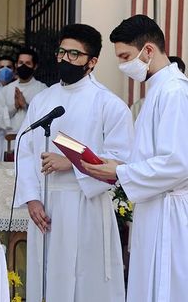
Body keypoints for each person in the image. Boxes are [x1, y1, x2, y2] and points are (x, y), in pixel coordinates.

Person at [14, 23, 133, 302]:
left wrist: (71, 162)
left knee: (84, 282)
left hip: (86, 205)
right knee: (47, 281)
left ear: (91, 62)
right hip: (45, 209)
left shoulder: (109, 104)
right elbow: (25, 151)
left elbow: (122, 161)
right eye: (61, 52)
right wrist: (32, 198)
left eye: (74, 54)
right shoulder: (43, 100)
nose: (65, 59)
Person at [83, 15, 188, 302]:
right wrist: (116, 166)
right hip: (154, 206)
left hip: (171, 212)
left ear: (149, 50)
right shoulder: (157, 90)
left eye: (126, 56)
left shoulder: (175, 92)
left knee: (166, 289)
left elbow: (178, 162)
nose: (122, 65)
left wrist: (121, 172)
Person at [0, 48, 47, 134]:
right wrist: (14, 107)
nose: (23, 66)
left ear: (35, 66)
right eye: (21, 63)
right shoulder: (6, 89)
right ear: (16, 65)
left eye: (28, 63)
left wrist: (26, 106)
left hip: (33, 138)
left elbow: (46, 116)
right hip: (9, 140)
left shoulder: (42, 89)